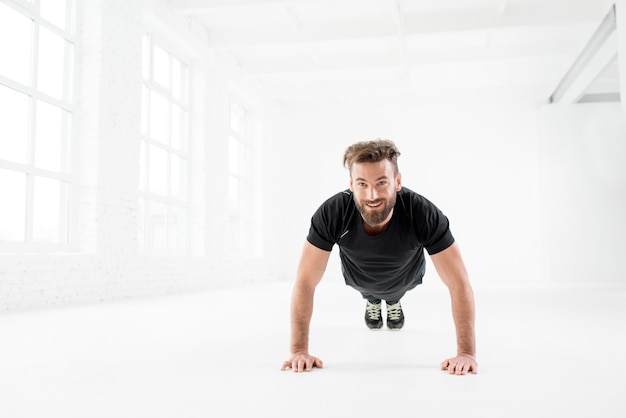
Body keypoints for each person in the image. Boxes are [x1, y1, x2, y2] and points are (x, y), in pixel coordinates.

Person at [280, 139, 477, 375]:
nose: (372, 195)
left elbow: (459, 282)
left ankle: (392, 301)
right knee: (371, 293)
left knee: (395, 293)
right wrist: (298, 350)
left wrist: (466, 353)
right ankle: (374, 301)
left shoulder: (423, 213)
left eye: (381, 182)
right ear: (351, 184)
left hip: (405, 278)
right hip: (359, 278)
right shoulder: (332, 212)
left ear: (398, 182)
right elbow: (305, 281)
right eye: (362, 184)